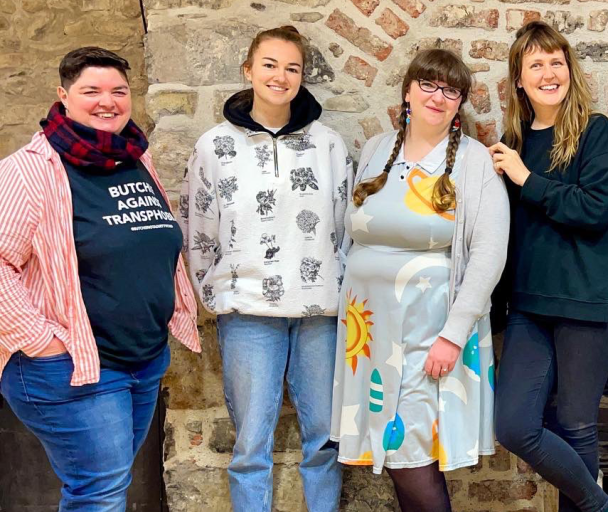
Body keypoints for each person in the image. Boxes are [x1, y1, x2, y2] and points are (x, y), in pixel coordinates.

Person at [0, 47, 200, 510]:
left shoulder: (132, 157)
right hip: (74, 366)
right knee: (99, 493)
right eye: (91, 90)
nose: (107, 101)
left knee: (105, 488)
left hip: (142, 359)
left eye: (118, 91)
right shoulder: (29, 170)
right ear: (63, 96)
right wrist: (41, 340)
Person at [330, 48, 509, 512]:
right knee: (393, 450)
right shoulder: (375, 151)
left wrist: (453, 334)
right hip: (368, 333)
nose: (438, 96)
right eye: (428, 84)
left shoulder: (473, 163)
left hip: (428, 333)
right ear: (407, 92)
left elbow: (489, 255)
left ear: (459, 105)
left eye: (451, 90)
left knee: (408, 450)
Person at [181, 26, 349, 511]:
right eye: (270, 64)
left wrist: (338, 287)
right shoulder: (215, 147)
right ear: (249, 70)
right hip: (247, 311)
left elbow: (346, 225)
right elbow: (197, 224)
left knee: (324, 441)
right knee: (251, 446)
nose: (280, 76)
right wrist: (214, 295)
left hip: (319, 312)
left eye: (292, 68)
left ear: (302, 76)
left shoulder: (328, 145)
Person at [489, 21, 608, 512]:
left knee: (576, 425)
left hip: (587, 301)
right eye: (536, 64)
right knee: (513, 424)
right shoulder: (512, 140)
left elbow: (596, 210)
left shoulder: (595, 131)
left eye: (557, 62)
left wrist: (526, 178)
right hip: (529, 306)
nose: (549, 72)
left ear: (569, 70)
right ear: (519, 78)